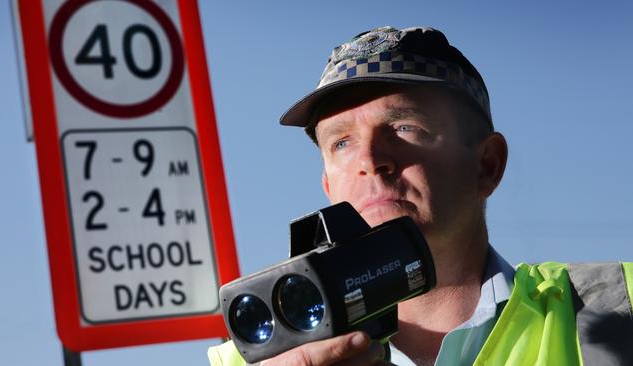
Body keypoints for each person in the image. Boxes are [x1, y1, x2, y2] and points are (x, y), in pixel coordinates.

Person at [209, 26, 633, 366]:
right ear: (327, 185)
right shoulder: (254, 358)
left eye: (405, 127)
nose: (370, 160)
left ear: (487, 164)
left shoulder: (620, 304)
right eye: (341, 142)